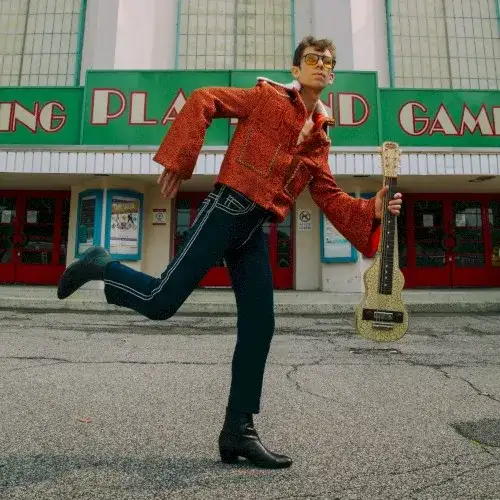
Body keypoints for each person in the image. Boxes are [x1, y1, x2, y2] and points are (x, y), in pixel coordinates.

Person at [57, 36, 403, 469]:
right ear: (296, 70)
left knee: (260, 324)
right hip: (228, 207)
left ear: (331, 75)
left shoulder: (320, 137)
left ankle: (238, 431)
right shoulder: (268, 98)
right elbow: (206, 98)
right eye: (312, 59)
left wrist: (371, 208)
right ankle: (101, 263)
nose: (320, 65)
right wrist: (181, 159)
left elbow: (328, 194)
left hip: (254, 227)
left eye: (327, 62)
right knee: (161, 302)